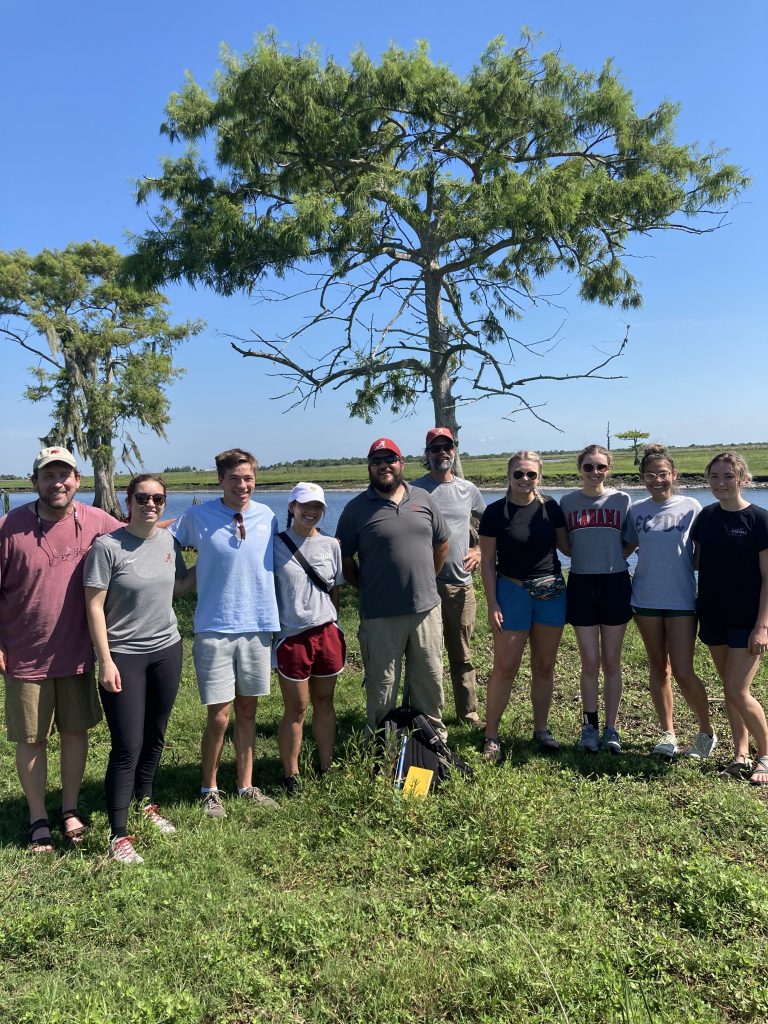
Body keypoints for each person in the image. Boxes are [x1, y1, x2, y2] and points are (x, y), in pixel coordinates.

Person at [0, 446, 122, 852]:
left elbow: (138, 535)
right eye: (48, 475)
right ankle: (38, 817)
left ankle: (69, 808)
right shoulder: (9, 527)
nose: (58, 483)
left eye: (64, 475)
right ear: (34, 482)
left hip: (77, 652)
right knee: (31, 738)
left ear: (78, 480)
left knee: (74, 732)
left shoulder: (97, 521)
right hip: (24, 652)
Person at [84, 474, 194, 865]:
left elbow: (178, 586)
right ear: (128, 501)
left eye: (159, 498)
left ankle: (146, 803)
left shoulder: (168, 542)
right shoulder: (107, 547)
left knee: (156, 735)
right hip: (124, 655)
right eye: (143, 497)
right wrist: (106, 659)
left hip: (167, 649)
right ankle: (117, 834)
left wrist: (218, 558)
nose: (151, 504)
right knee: (127, 745)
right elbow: (94, 606)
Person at [169, 449, 280, 817]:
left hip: (258, 624)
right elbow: (164, 538)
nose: (242, 485)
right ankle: (209, 788)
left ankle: (246, 785)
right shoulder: (198, 516)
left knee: (248, 710)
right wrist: (181, 578)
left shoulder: (268, 516)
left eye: (248, 478)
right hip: (214, 626)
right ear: (220, 480)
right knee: (219, 714)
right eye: (234, 479)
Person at [335, 438, 449, 740]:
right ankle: (380, 747)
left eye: (391, 459)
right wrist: (368, 587)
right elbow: (345, 559)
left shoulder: (423, 498)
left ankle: (432, 744)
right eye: (377, 461)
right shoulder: (355, 509)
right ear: (370, 467)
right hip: (379, 615)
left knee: (429, 680)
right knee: (382, 686)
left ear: (402, 463)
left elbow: (441, 543)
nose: (384, 465)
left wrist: (425, 579)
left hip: (426, 610)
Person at [623, 445, 716, 759]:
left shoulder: (691, 506)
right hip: (645, 598)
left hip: (681, 599)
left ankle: (706, 732)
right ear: (643, 479)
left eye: (662, 474)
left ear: (673, 475)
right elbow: (624, 548)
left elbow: (705, 553)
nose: (657, 480)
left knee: (683, 670)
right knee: (658, 668)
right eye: (650, 475)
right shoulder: (635, 511)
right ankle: (668, 733)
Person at [479, 451, 569, 761]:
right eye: (519, 474)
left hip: (550, 594)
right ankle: (491, 734)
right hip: (511, 592)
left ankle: (542, 731)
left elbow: (568, 547)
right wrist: (492, 602)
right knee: (505, 668)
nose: (524, 480)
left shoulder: (551, 508)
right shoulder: (494, 513)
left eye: (531, 474)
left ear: (539, 477)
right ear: (509, 476)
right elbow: (487, 562)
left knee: (544, 667)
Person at [692, 452, 768, 785]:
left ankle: (765, 754)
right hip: (713, 614)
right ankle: (741, 753)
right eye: (715, 477)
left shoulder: (760, 520)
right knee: (729, 688)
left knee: (738, 690)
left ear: (743, 480)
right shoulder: (706, 517)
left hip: (748, 619)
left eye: (728, 476)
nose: (721, 483)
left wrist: (763, 626)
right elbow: (696, 562)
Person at [273, 482, 345, 794]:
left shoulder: (332, 546)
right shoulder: (275, 545)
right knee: (297, 708)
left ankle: (327, 766)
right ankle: (291, 775)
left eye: (317, 507)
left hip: (326, 632)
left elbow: (335, 590)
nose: (311, 512)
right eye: (305, 506)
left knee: (325, 702)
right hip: (291, 637)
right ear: (292, 507)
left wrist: (333, 623)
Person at [560, 445, 632, 754]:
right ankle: (588, 727)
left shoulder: (622, 500)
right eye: (589, 467)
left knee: (612, 661)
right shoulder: (568, 502)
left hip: (615, 582)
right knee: (589, 661)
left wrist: (611, 558)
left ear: (609, 469)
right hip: (581, 582)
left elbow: (629, 541)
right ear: (580, 469)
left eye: (600, 467)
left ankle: (611, 728)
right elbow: (565, 544)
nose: (594, 473)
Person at [412, 428, 486, 728]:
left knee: (461, 653)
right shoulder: (412, 491)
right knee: (423, 657)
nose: (442, 452)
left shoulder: (468, 490)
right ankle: (424, 712)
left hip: (459, 586)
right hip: (421, 587)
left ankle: (468, 712)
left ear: (455, 451)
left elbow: (490, 524)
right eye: (435, 447)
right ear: (427, 454)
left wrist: (479, 549)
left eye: (448, 446)